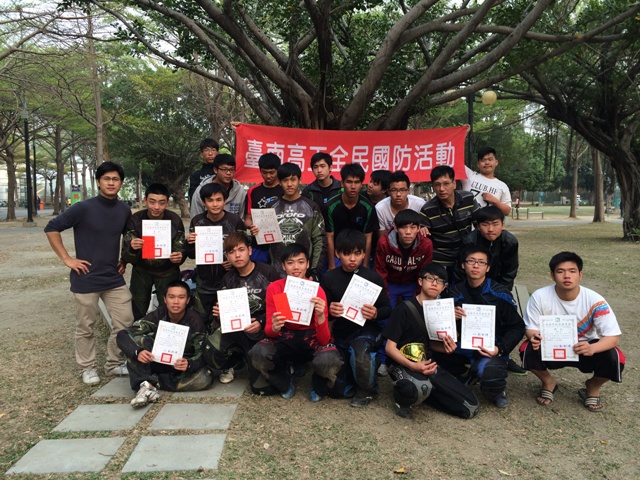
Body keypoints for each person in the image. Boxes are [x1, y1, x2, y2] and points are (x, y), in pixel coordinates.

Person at [44, 161, 133, 385]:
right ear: (98, 182)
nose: (111, 183)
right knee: (86, 326)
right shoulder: (83, 208)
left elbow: (127, 236)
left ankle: (113, 364)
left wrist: (124, 259)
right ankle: (88, 367)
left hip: (113, 277)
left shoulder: (124, 209)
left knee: (125, 321)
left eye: (115, 179)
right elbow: (52, 227)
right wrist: (67, 259)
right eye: (107, 179)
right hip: (86, 278)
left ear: (121, 183)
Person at [521, 252, 624, 412]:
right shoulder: (539, 296)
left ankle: (593, 386)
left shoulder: (595, 301)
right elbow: (531, 327)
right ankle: (549, 382)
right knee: (527, 349)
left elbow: (612, 337)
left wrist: (593, 348)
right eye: (560, 271)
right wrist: (533, 336)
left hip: (586, 347)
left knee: (614, 357)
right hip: (552, 345)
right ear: (552, 276)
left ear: (580, 275)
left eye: (572, 271)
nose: (566, 276)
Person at [383, 264, 479, 419]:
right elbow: (389, 348)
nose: (435, 283)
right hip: (401, 363)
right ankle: (404, 396)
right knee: (415, 389)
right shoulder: (404, 308)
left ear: (443, 287)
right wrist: (413, 365)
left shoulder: (441, 311)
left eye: (440, 281)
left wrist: (446, 348)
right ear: (420, 281)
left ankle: (425, 390)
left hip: (426, 363)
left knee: (470, 405)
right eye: (430, 278)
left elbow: (431, 344)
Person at [434, 246, 525, 408]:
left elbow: (517, 327)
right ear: (463, 265)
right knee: (432, 352)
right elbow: (439, 324)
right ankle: (465, 373)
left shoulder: (500, 293)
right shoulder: (453, 292)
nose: (475, 266)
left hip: (489, 347)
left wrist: (500, 348)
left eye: (481, 262)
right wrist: (448, 315)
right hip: (461, 345)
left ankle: (496, 390)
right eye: (471, 261)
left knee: (490, 372)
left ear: (488, 268)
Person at [248, 244, 343, 399]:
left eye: (300, 262)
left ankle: (318, 384)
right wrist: (275, 327)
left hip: (310, 337)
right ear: (283, 266)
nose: (296, 267)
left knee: (329, 360)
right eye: (290, 262)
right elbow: (269, 332)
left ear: (307, 264)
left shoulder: (317, 290)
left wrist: (320, 316)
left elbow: (324, 339)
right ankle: (284, 380)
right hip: (284, 336)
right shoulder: (275, 288)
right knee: (258, 352)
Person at [320, 229, 391, 406]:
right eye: (347, 253)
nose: (352, 259)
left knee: (360, 352)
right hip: (340, 331)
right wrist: (330, 310)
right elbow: (321, 311)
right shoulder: (329, 278)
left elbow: (387, 309)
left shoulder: (373, 278)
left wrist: (375, 313)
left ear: (363, 254)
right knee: (338, 391)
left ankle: (367, 390)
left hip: (366, 331)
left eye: (357, 253)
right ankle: (351, 378)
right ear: (337, 253)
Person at [205, 232, 280, 390]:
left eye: (241, 250)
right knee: (209, 347)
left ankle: (273, 362)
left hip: (262, 330)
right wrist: (220, 314)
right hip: (238, 330)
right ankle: (234, 361)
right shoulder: (228, 278)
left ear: (250, 251)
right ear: (226, 256)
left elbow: (280, 308)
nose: (237, 255)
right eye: (231, 252)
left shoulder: (269, 273)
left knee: (261, 388)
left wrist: (261, 322)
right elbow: (224, 314)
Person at [117, 280, 210, 407]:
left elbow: (203, 352)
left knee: (204, 379)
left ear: (188, 300)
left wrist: (189, 364)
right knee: (139, 341)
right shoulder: (157, 315)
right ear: (165, 299)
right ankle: (146, 385)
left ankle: (151, 383)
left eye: (181, 297)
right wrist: (138, 352)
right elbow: (124, 334)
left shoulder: (195, 322)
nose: (176, 302)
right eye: (171, 297)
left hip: (179, 366)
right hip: (155, 360)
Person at [120, 183, 186, 320]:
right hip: (141, 271)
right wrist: (132, 248)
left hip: (168, 271)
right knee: (137, 307)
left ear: (167, 202)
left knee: (169, 309)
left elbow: (180, 250)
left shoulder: (174, 220)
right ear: (145, 200)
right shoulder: (135, 220)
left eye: (161, 203)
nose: (156, 207)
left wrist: (178, 257)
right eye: (152, 202)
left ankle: (164, 336)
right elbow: (126, 256)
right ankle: (138, 337)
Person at [185, 183, 246, 328]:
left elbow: (245, 249)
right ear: (204, 202)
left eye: (219, 200)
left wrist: (234, 263)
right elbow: (193, 255)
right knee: (200, 320)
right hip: (204, 281)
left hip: (230, 280)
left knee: (227, 320)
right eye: (210, 200)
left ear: (225, 201)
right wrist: (189, 243)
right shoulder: (197, 221)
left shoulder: (235, 221)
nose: (215, 204)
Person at [269, 163, 327, 279]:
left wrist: (314, 270)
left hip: (304, 273)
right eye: (285, 180)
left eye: (293, 179)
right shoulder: (271, 207)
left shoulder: (311, 207)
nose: (289, 184)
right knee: (280, 298)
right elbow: (264, 240)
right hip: (277, 273)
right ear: (279, 182)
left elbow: (319, 240)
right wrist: (256, 232)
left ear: (300, 180)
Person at [420, 165, 480, 274]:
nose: (442, 189)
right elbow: (424, 237)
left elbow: (480, 223)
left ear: (454, 184)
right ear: (433, 187)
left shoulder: (468, 198)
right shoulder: (427, 209)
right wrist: (421, 230)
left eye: (446, 184)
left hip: (466, 254)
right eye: (437, 185)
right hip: (440, 259)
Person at [375, 210, 433, 308]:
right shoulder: (384, 243)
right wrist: (384, 294)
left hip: (413, 282)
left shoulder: (426, 244)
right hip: (390, 282)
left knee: (415, 312)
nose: (408, 232)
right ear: (396, 228)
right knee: (386, 313)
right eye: (403, 227)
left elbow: (424, 272)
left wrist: (419, 294)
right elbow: (380, 271)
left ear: (419, 228)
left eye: (413, 227)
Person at [325, 164, 378, 270]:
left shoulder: (368, 207)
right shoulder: (330, 206)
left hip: (359, 255)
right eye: (349, 182)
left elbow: (368, 238)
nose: (353, 186)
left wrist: (365, 266)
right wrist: (331, 266)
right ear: (342, 183)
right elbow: (329, 237)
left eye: (357, 182)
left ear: (361, 184)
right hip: (337, 255)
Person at [457, 206, 518, 290]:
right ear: (478, 226)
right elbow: (461, 270)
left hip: (498, 284)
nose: (490, 229)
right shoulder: (469, 241)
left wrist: (502, 291)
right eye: (485, 224)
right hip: (472, 285)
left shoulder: (510, 242)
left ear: (502, 225)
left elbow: (509, 271)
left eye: (495, 224)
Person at [244, 153, 284, 264]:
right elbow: (247, 219)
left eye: (272, 173)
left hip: (281, 245)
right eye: (264, 172)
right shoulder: (253, 191)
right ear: (260, 170)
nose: (268, 176)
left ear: (278, 170)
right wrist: (251, 227)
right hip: (259, 245)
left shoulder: (284, 189)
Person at [190, 153, 246, 218]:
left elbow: (242, 218)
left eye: (231, 170)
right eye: (224, 169)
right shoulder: (200, 190)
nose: (228, 173)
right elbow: (196, 217)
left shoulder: (240, 191)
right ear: (215, 170)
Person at [461, 146, 512, 215]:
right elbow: (454, 160)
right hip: (466, 224)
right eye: (483, 160)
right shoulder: (469, 175)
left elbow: (507, 211)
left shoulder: (502, 186)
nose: (487, 162)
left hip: (486, 224)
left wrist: (494, 201)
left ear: (496, 162)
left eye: (490, 159)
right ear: (478, 164)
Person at [376, 171, 425, 236]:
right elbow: (382, 238)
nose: (398, 194)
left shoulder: (420, 204)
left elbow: (424, 229)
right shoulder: (380, 208)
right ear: (388, 191)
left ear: (408, 190)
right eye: (394, 190)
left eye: (402, 190)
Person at [301, 152, 342, 221]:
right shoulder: (308, 191)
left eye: (323, 166)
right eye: (315, 167)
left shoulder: (341, 188)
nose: (319, 170)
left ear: (330, 168)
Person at [188, 138, 219, 202]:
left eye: (213, 150)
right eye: (206, 150)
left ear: (218, 153)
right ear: (201, 154)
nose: (210, 153)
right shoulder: (195, 176)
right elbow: (193, 198)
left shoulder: (223, 173)